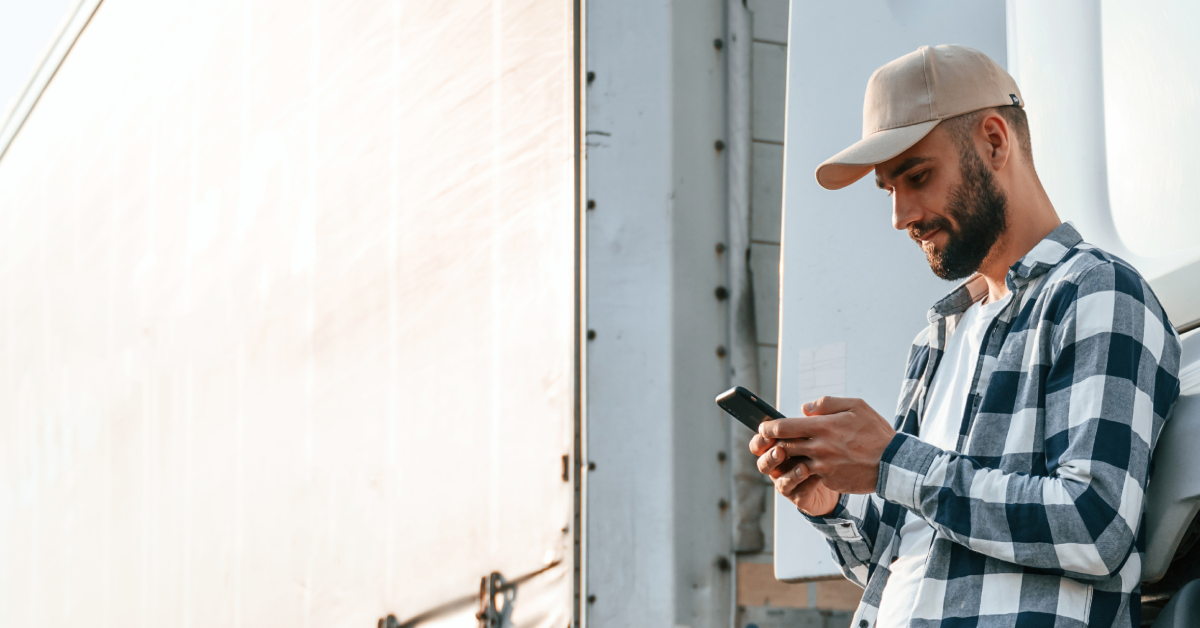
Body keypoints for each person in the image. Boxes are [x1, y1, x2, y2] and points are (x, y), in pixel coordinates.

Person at [752, 44, 1181, 628]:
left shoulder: (1096, 292)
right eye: (888, 189)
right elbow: (912, 554)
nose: (901, 215)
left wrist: (891, 460)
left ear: (995, 141)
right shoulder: (939, 335)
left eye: (918, 176)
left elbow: (1094, 526)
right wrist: (829, 504)